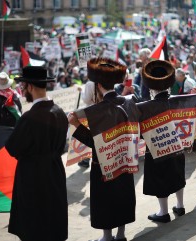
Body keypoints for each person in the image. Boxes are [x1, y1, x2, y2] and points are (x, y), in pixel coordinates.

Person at [68, 58, 136, 241]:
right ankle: (121, 235)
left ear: (97, 85)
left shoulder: (98, 110)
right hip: (126, 158)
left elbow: (96, 142)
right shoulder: (129, 101)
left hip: (104, 164)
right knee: (123, 194)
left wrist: (76, 125)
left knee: (105, 198)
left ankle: (107, 237)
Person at [5, 66, 68, 241]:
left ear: (30, 87)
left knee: (33, 223)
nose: (22, 90)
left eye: (23, 86)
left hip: (32, 175)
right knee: (52, 217)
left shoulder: (30, 117)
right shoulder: (60, 112)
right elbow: (62, 145)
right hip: (54, 171)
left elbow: (12, 148)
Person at [139, 60, 186, 223]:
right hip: (178, 145)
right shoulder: (179, 100)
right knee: (178, 173)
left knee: (160, 178)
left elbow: (139, 132)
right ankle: (180, 206)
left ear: (151, 88)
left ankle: (163, 212)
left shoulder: (145, 106)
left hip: (156, 148)